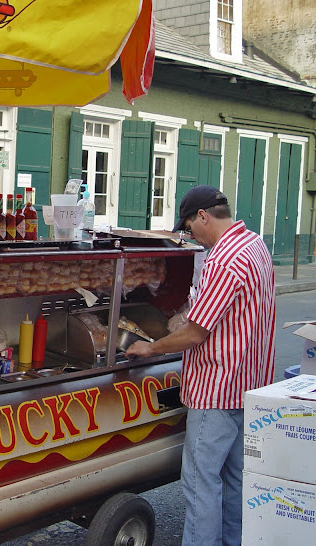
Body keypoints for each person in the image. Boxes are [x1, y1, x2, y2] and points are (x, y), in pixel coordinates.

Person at [126, 185, 275, 546]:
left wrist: (151, 348)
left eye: (190, 226)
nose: (190, 235)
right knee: (235, 478)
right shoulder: (255, 244)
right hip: (251, 383)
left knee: (199, 482)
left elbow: (195, 333)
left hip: (218, 389)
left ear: (204, 216)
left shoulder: (224, 259)